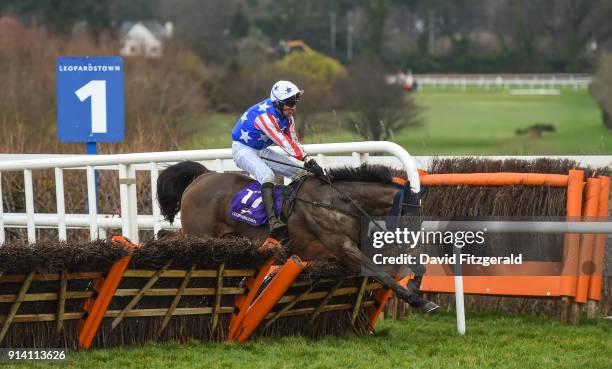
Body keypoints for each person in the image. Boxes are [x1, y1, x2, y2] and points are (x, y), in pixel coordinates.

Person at [231, 80, 325, 239]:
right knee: (267, 176)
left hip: (260, 150)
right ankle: (273, 221)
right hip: (243, 149)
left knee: (300, 173)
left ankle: (295, 213)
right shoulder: (264, 116)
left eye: (295, 103)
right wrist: (308, 160)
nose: (294, 108)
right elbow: (283, 142)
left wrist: (307, 162)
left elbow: (293, 141)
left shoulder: (288, 117)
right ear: (277, 103)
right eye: (289, 103)